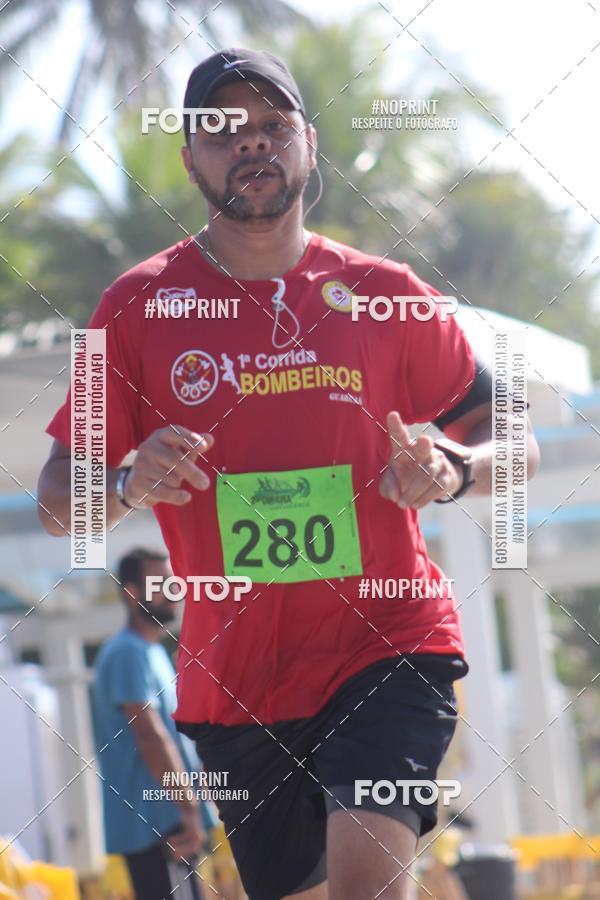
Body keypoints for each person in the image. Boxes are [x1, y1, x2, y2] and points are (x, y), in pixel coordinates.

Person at [38, 47, 540, 900]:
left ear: (308, 143)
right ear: (191, 156)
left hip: (388, 643)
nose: (252, 145)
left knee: (367, 883)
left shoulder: (386, 293)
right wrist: (125, 484)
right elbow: (56, 498)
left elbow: (514, 438)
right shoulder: (133, 307)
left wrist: (454, 467)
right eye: (224, 131)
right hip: (237, 680)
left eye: (273, 126)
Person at [92, 547, 216, 900]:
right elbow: (150, 736)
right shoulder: (127, 652)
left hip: (169, 824)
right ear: (132, 594)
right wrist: (190, 809)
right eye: (161, 583)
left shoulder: (152, 652)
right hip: (158, 828)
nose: (174, 591)